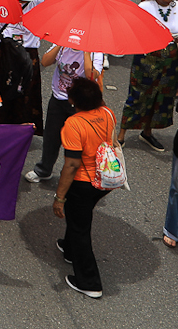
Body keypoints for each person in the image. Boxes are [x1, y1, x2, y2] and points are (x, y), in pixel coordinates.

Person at [54, 76, 118, 298]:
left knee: (81, 228)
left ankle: (89, 282)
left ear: (73, 101)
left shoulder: (74, 124)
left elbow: (71, 165)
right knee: (78, 217)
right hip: (104, 180)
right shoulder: (108, 113)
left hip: (82, 183)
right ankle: (69, 249)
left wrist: (59, 197)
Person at [27, 40, 104, 182]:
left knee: (75, 144)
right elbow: (44, 61)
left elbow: (91, 75)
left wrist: (87, 51)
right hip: (58, 98)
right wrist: (60, 44)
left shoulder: (96, 50)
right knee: (51, 137)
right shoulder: (64, 43)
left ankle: (75, 177)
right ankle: (44, 170)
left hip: (80, 105)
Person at [117, 0, 178, 149]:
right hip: (147, 58)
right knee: (138, 95)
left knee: (162, 97)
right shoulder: (145, 7)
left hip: (171, 60)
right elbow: (133, 31)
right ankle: (121, 135)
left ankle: (148, 132)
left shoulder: (177, 7)